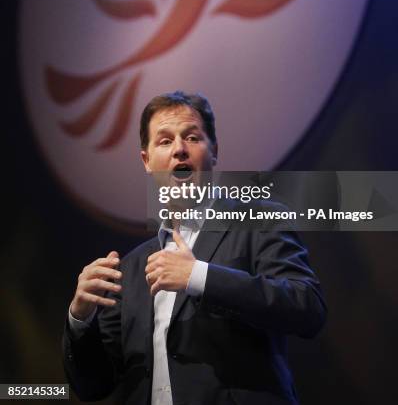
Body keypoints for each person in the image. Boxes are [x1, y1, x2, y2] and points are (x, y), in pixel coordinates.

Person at [63, 91, 327, 404]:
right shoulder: (130, 269)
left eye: (192, 137)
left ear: (214, 150)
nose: (179, 150)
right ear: (146, 160)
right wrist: (80, 319)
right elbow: (93, 386)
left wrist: (199, 276)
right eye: (164, 141)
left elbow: (306, 307)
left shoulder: (258, 220)